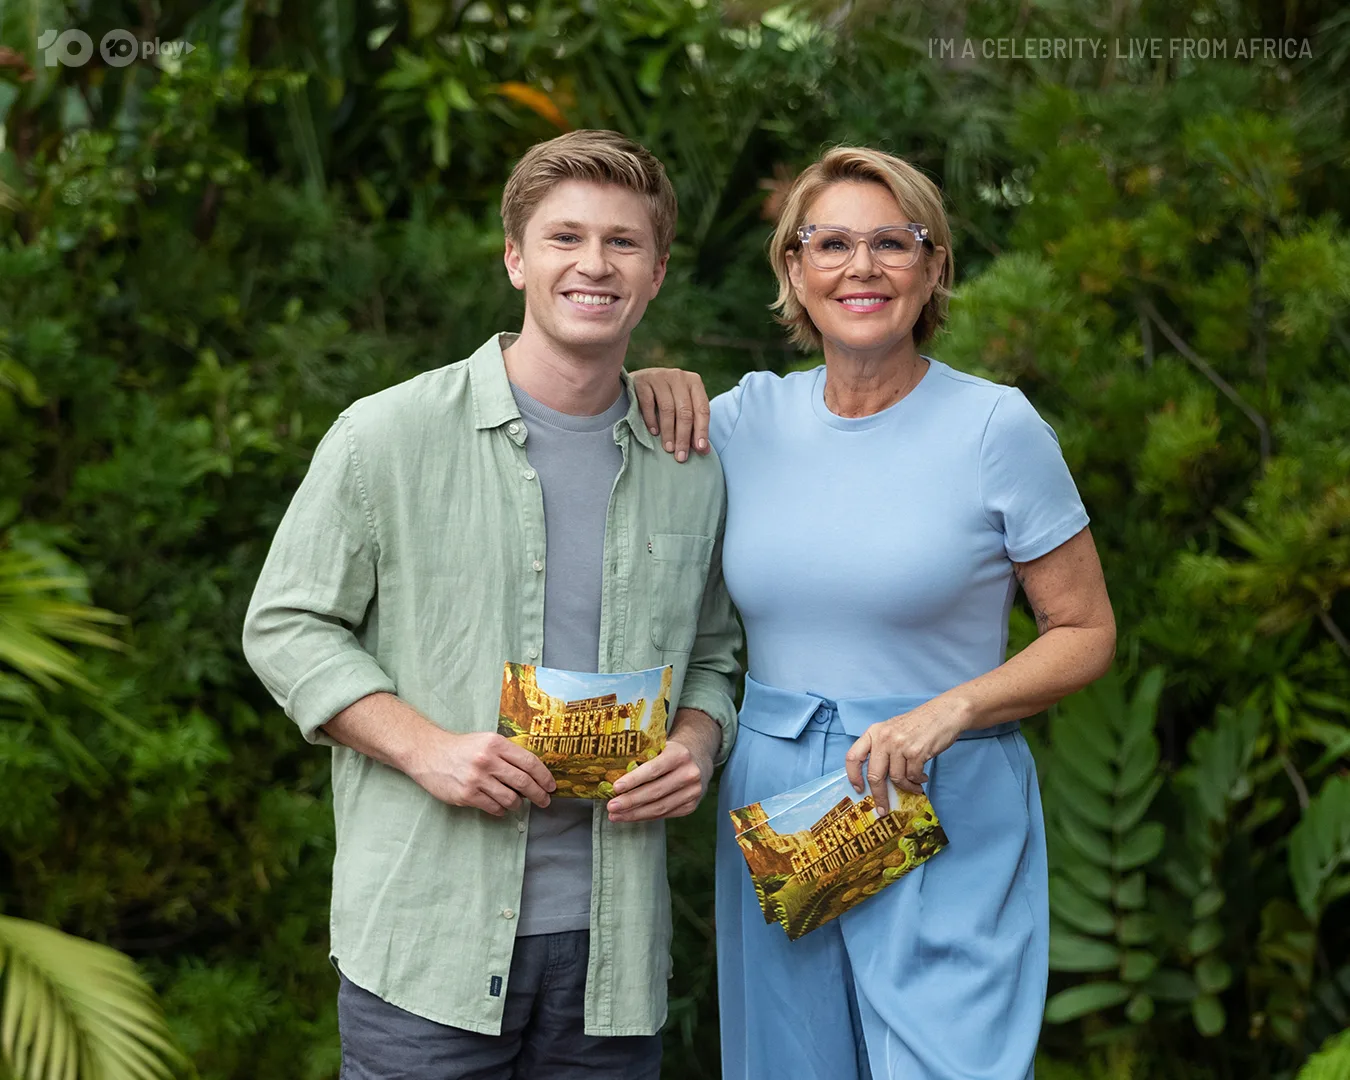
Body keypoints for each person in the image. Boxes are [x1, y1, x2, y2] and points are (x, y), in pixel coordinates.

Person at [242, 129, 741, 1080]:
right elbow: (284, 624)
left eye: (623, 243)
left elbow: (715, 654)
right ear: (515, 257)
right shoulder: (386, 435)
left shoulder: (693, 464)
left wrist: (696, 744)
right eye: (564, 238)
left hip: (612, 956)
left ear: (658, 272)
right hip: (427, 943)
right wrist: (426, 748)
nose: (593, 264)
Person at [631, 146, 1116, 1080]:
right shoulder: (738, 422)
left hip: (935, 790)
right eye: (833, 243)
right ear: (793, 268)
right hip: (781, 803)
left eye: (894, 243)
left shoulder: (995, 427)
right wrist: (655, 380)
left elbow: (1086, 632)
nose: (862, 267)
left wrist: (955, 708)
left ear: (932, 268)